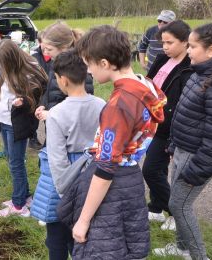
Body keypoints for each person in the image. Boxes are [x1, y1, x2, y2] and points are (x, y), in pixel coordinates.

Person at [63, 25, 166, 259]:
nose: (87, 72)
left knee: (102, 249)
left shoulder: (120, 104)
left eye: (88, 65)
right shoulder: (145, 84)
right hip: (131, 177)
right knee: (126, 244)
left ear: (104, 63)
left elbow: (106, 167)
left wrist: (83, 220)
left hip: (114, 183)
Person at [153, 23, 212, 260]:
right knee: (177, 204)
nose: (189, 51)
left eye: (193, 46)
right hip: (183, 150)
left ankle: (198, 256)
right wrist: (174, 145)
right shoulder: (204, 71)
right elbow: (185, 114)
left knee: (179, 206)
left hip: (196, 157)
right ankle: (182, 248)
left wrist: (197, 170)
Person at [31, 49, 105, 260]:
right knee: (83, 233)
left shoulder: (56, 114)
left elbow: (57, 160)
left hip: (63, 179)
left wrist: (65, 196)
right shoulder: (102, 105)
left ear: (62, 80)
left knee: (56, 237)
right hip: (93, 174)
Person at [142, 20, 193, 232]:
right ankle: (156, 208)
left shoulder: (189, 67)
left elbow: (184, 102)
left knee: (150, 170)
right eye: (163, 42)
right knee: (159, 169)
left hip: (169, 127)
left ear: (185, 42)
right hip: (152, 122)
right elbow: (149, 81)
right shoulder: (163, 58)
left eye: (169, 43)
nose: (164, 47)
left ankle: (174, 213)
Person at [0, 39, 48, 217]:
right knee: (13, 161)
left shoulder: (28, 70)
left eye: (1, 63)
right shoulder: (8, 70)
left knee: (16, 164)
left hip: (15, 124)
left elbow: (37, 94)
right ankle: (24, 196)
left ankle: (18, 206)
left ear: (11, 59)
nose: (0, 67)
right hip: (5, 120)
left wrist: (22, 101)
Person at [33, 22, 94, 131]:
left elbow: (81, 108)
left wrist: (51, 114)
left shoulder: (79, 68)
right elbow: (51, 89)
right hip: (55, 125)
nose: (46, 53)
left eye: (49, 49)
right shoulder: (57, 62)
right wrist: (43, 104)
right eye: (44, 49)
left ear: (63, 47)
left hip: (69, 132)